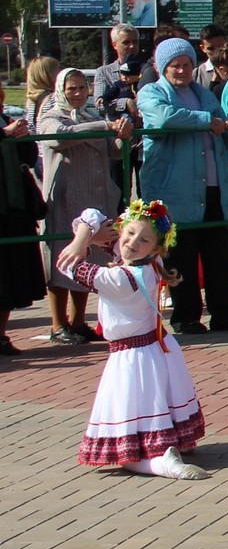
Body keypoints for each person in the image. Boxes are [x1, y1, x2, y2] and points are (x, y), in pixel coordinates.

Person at [58, 201, 208, 480]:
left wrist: (83, 239)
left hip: (133, 358)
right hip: (157, 349)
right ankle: (171, 444)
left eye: (144, 239)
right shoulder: (152, 262)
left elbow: (67, 266)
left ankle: (161, 462)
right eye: (128, 234)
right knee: (157, 406)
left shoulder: (120, 279)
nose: (132, 242)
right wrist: (94, 233)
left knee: (130, 437)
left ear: (156, 247)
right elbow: (94, 215)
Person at [137, 37, 228, 335]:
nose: (182, 70)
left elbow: (223, 132)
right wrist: (208, 120)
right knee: (181, 256)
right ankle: (186, 316)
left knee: (220, 255)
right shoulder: (151, 93)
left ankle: (224, 313)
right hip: (175, 192)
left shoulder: (204, 94)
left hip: (214, 188)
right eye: (175, 65)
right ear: (162, 67)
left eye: (187, 64)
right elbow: (164, 118)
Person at [38, 68, 128, 345]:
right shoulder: (51, 117)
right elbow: (60, 137)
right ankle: (57, 324)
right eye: (71, 88)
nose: (77, 94)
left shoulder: (94, 116)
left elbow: (113, 150)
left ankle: (79, 322)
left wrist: (124, 133)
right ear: (60, 90)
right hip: (65, 199)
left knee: (89, 259)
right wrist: (104, 127)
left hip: (96, 198)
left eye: (81, 88)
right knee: (61, 260)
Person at [0, 103, 48, 356]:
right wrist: (4, 134)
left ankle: (1, 335)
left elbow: (29, 160)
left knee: (10, 275)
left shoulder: (5, 117)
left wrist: (24, 137)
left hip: (13, 206)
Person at [93, 23, 147, 99]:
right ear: (114, 45)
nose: (132, 46)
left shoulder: (148, 69)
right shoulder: (104, 72)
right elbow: (100, 105)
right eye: (126, 42)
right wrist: (125, 103)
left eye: (135, 42)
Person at [191, 24, 228, 90]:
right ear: (203, 48)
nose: (217, 51)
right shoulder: (197, 74)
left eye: (220, 47)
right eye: (211, 48)